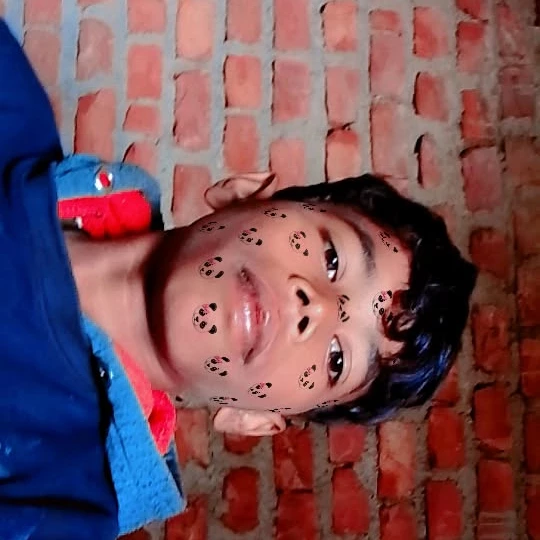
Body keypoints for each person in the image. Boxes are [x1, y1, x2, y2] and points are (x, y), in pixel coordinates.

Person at [0, 17, 477, 539]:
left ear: (254, 418)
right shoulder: (10, 99)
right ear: (245, 194)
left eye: (337, 361)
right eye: (332, 259)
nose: (316, 307)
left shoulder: (57, 505)